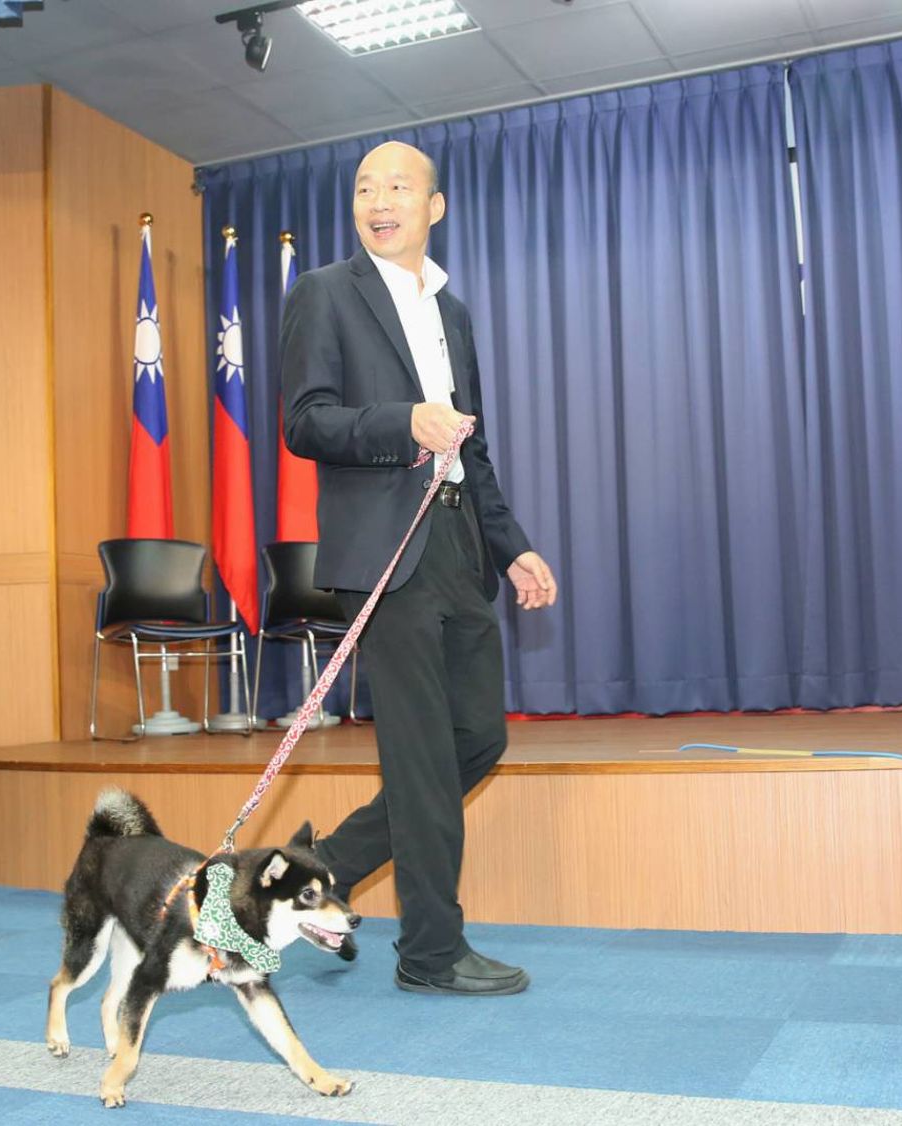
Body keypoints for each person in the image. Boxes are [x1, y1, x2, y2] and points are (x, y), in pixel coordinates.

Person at [280, 141, 557, 996]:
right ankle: (432, 952)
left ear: (433, 207)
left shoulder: (453, 313)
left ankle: (316, 870)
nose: (379, 200)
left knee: (478, 738)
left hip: (457, 544)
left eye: (398, 186)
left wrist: (512, 545)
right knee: (421, 756)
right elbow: (305, 422)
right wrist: (403, 421)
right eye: (366, 187)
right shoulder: (325, 292)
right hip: (384, 554)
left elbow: (475, 450)